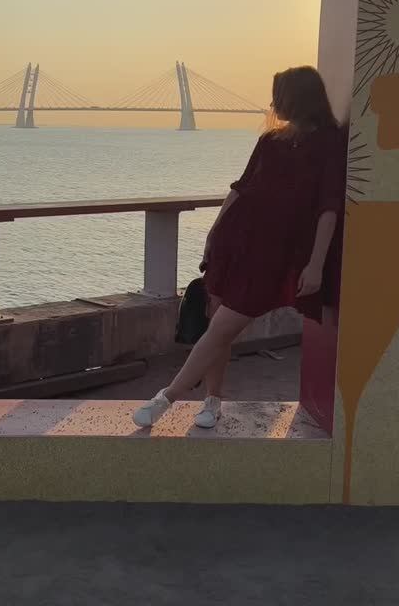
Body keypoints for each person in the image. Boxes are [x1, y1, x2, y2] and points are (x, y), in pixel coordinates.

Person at [133, 66, 346, 431]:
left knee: (220, 328)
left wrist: (315, 264)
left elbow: (330, 207)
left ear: (297, 98)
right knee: (219, 325)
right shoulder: (271, 141)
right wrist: (215, 230)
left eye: (278, 96)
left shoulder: (329, 143)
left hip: (275, 255)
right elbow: (241, 187)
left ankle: (165, 397)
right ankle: (212, 401)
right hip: (236, 242)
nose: (273, 104)